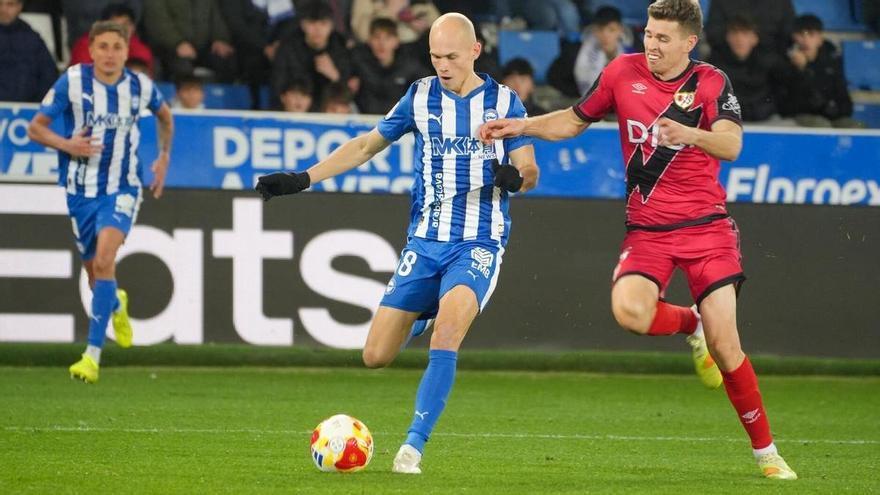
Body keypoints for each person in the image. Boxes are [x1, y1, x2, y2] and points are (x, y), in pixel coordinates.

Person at [480, 0, 797, 481]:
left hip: (707, 227)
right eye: (648, 34)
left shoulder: (711, 82)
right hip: (647, 229)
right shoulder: (620, 73)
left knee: (728, 346)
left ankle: (767, 452)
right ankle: (691, 324)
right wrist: (522, 126)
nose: (651, 44)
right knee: (628, 312)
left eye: (663, 38)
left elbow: (731, 144)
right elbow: (573, 119)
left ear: (690, 42)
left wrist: (690, 134)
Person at [256, 12, 538, 474]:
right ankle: (425, 315)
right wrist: (302, 178)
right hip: (425, 241)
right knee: (375, 356)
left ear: (474, 51)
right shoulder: (420, 96)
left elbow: (529, 172)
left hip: (478, 241)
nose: (442, 64)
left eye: (451, 56)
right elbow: (367, 145)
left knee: (449, 333)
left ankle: (413, 446)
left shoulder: (505, 102)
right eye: (434, 56)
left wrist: (514, 177)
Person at [27, 20, 174, 384]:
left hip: (123, 186)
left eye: (117, 47)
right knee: (96, 274)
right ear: (91, 50)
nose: (110, 54)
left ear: (127, 52)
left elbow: (166, 117)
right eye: (103, 47)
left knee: (106, 258)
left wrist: (163, 157)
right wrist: (67, 145)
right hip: (80, 190)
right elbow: (36, 127)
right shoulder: (73, 81)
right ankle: (116, 302)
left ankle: (91, 357)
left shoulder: (140, 86)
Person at [779, 14, 862, 128]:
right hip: (800, 116)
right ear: (794, 37)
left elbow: (843, 97)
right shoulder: (784, 63)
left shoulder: (831, 61)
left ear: (820, 39)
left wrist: (835, 110)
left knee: (855, 127)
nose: (806, 40)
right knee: (820, 125)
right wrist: (802, 70)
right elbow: (790, 104)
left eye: (811, 35)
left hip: (832, 115)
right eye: (800, 35)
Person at [271, 0, 351, 111]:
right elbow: (278, 85)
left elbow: (349, 93)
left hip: (328, 113)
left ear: (331, 26)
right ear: (303, 25)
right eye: (312, 24)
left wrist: (335, 76)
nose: (317, 30)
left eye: (323, 24)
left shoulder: (340, 47)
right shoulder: (288, 47)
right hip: (295, 109)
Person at [707, 15, 784, 122]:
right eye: (734, 33)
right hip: (725, 122)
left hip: (766, 121)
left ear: (755, 38)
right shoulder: (714, 66)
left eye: (745, 34)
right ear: (727, 38)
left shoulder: (770, 65)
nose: (739, 39)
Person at [350, 17, 428, 115]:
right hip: (365, 122)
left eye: (387, 38)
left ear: (396, 41)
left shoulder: (409, 66)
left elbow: (427, 90)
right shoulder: (359, 62)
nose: (381, 44)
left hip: (399, 123)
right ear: (369, 41)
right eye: (377, 37)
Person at [69, 3, 155, 77]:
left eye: (126, 24)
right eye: (115, 25)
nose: (121, 29)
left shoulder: (141, 51)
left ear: (133, 27)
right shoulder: (85, 46)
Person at [0, 0, 57, 103]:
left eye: (10, 4)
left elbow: (48, 75)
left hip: (28, 110)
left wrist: (36, 106)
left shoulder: (32, 38)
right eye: (0, 4)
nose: (3, 9)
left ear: (19, 6)